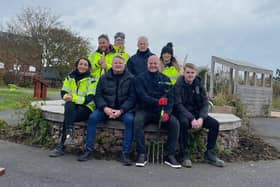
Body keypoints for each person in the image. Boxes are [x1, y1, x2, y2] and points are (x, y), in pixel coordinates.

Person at [78, 55, 135, 166]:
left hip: (123, 110)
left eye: (120, 63)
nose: (118, 65)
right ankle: (89, 150)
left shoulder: (131, 78)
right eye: (115, 63)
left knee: (130, 121)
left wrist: (121, 110)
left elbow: (132, 98)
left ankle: (125, 153)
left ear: (124, 65)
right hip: (106, 108)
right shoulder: (104, 77)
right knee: (92, 118)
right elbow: (98, 95)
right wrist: (105, 108)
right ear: (112, 65)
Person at [134, 55, 181, 169]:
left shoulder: (166, 79)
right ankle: (142, 153)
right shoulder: (140, 79)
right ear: (147, 65)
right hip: (145, 110)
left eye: (155, 63)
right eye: (151, 63)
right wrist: (157, 102)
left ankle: (170, 155)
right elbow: (142, 96)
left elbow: (170, 98)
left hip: (161, 111)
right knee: (137, 122)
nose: (153, 65)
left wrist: (167, 113)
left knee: (175, 123)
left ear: (159, 65)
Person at [173, 63, 225, 168]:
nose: (190, 75)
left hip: (197, 114)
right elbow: (178, 105)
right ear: (184, 73)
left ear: (195, 73)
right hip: (183, 113)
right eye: (188, 72)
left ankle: (210, 154)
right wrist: (191, 118)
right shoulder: (178, 85)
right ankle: (185, 155)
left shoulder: (199, 85)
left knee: (214, 124)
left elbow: (205, 103)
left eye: (192, 73)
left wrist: (201, 118)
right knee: (183, 123)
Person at [49, 57, 97, 157]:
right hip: (73, 106)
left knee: (68, 117)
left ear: (88, 67)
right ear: (77, 65)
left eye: (85, 65)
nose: (83, 66)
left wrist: (73, 98)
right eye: (81, 64)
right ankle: (69, 133)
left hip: (86, 108)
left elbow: (89, 98)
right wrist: (67, 97)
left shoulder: (92, 80)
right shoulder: (69, 77)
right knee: (69, 106)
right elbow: (63, 92)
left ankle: (61, 146)